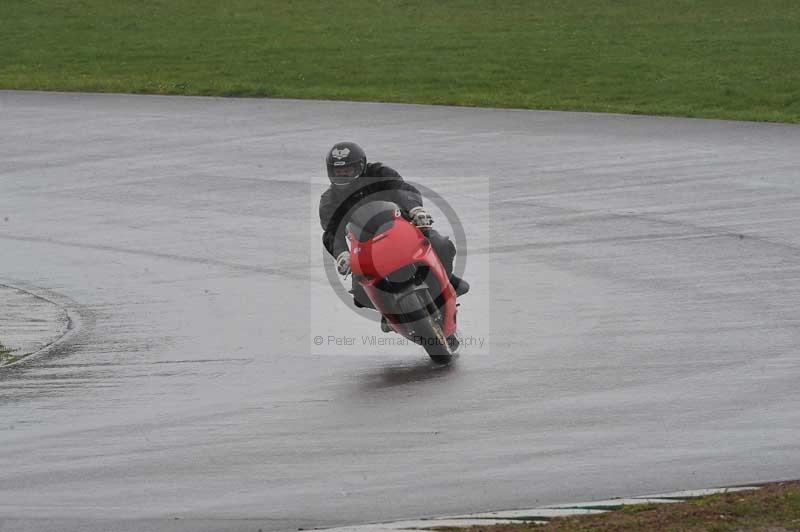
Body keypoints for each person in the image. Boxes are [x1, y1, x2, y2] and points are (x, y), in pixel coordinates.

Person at [319, 142, 468, 330]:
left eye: (347, 170)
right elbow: (331, 232)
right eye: (338, 171)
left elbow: (402, 189)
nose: (343, 175)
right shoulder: (328, 200)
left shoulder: (379, 173)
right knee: (359, 295)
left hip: (401, 227)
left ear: (360, 166)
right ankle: (388, 312)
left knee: (441, 244)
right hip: (365, 244)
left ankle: (449, 282)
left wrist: (416, 209)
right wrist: (341, 254)